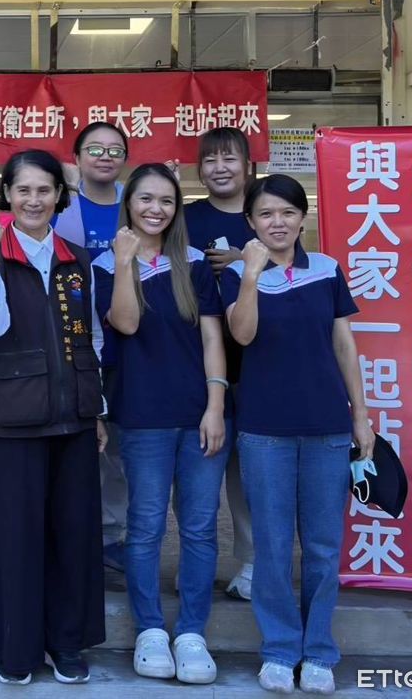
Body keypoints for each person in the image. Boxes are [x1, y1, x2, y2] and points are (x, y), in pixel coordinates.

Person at [219, 174, 374, 695]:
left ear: (303, 218)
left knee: (324, 547)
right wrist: (250, 274)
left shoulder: (327, 269)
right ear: (250, 222)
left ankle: (319, 651)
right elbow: (242, 334)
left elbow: (344, 344)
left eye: (287, 212)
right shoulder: (237, 273)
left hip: (327, 427)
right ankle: (280, 650)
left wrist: (360, 415)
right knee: (272, 544)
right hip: (264, 430)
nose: (277, 222)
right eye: (266, 214)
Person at [0, 150, 106, 685]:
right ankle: (18, 647)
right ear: (7, 195)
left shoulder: (76, 258)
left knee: (74, 534)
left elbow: (91, 337)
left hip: (75, 415)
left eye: (44, 190)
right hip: (16, 415)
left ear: (59, 196)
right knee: (20, 537)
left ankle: (66, 643)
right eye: (23, 190)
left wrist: (97, 408)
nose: (33, 200)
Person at [94, 163, 227, 685]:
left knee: (199, 527)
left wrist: (215, 405)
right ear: (128, 204)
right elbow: (125, 323)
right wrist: (125, 260)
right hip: (142, 416)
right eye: (145, 199)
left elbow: (212, 338)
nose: (156, 209)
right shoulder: (105, 264)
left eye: (167, 201)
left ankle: (192, 631)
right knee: (146, 526)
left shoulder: (193, 264)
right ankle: (150, 628)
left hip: (199, 415)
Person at [183, 126, 259, 600]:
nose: (220, 168)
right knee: (201, 469)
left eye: (229, 159)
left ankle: (252, 562)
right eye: (210, 160)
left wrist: (245, 263)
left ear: (248, 165)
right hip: (198, 359)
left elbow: (296, 269)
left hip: (260, 361)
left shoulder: (266, 211)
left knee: (250, 472)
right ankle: (197, 563)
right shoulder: (185, 217)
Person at [54, 121, 132, 574]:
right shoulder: (61, 204)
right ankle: (70, 538)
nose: (105, 157)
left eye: (115, 150)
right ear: (78, 157)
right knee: (75, 447)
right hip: (72, 343)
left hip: (129, 345)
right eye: (95, 149)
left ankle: (110, 537)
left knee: (116, 452)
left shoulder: (137, 202)